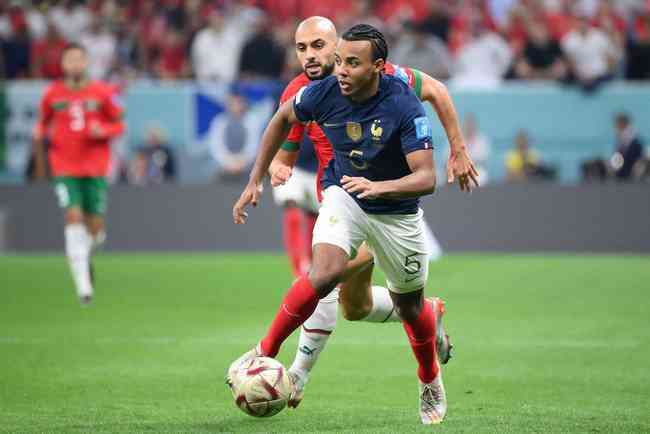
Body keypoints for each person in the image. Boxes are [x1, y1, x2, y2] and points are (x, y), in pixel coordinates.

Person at [230, 24, 478, 425]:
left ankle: (429, 370)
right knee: (327, 280)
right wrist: (264, 174)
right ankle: (273, 359)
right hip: (342, 193)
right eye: (301, 48)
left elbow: (426, 170)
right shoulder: (309, 92)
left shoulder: (399, 91)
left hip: (394, 206)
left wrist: (458, 151)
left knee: (382, 306)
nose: (311, 56)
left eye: (319, 47)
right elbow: (284, 131)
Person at [32, 43, 125, 305]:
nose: (74, 64)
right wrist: (39, 135)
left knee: (96, 231)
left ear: (86, 63)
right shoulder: (52, 94)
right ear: (63, 65)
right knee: (72, 215)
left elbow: (120, 123)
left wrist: (103, 131)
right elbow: (41, 123)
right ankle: (84, 289)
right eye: (69, 60)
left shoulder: (102, 92)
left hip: (94, 168)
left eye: (79, 59)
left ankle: (80, 256)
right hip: (64, 167)